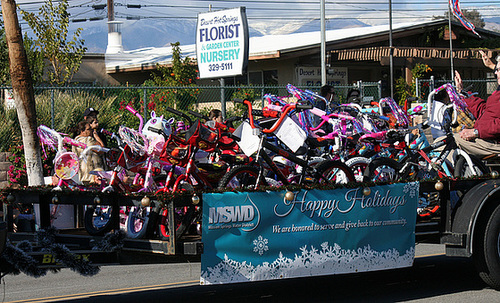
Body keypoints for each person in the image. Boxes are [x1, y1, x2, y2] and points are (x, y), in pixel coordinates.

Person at [453, 69, 500, 158]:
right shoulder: (497, 93)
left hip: (493, 142)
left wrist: (476, 132)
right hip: (486, 139)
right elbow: (483, 110)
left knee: (450, 141)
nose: (495, 72)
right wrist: (462, 93)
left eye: (499, 69)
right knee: (445, 141)